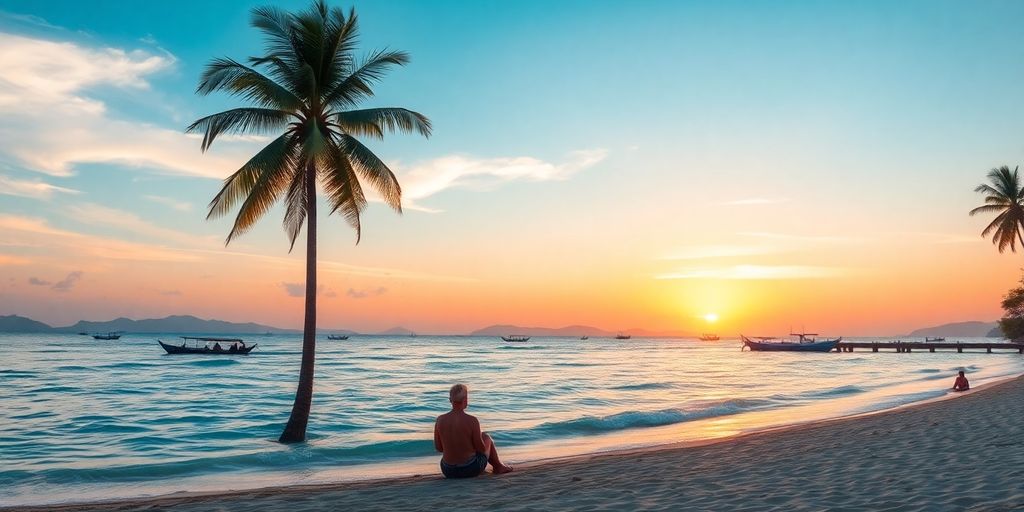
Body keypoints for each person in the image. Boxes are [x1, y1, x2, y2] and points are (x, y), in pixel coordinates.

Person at [434, 384, 513, 478]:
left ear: (450, 400)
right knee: (486, 437)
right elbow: (481, 449)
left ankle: (498, 466)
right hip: (470, 468)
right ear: (465, 400)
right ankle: (498, 466)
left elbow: (439, 448)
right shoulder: (472, 421)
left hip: (448, 470)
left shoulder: (440, 420)